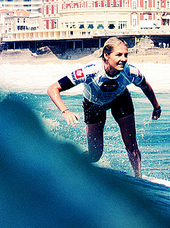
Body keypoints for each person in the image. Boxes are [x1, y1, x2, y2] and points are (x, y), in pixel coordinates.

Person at [47, 37, 161, 177]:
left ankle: (139, 177)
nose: (124, 59)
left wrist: (156, 106)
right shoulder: (90, 71)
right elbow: (53, 88)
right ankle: (74, 165)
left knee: (131, 146)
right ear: (106, 55)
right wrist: (65, 111)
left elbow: (146, 86)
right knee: (95, 155)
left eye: (126, 55)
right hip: (93, 104)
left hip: (120, 99)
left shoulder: (130, 72)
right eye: (118, 55)